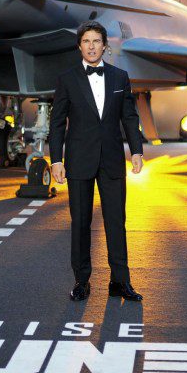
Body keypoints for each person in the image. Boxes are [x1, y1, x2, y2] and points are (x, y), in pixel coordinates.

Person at [49, 21, 144, 302]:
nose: (91, 46)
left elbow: (129, 117)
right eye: (86, 41)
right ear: (80, 46)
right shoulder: (67, 79)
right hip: (78, 160)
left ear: (105, 45)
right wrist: (56, 159)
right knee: (80, 223)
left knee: (117, 222)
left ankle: (120, 281)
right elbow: (57, 124)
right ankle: (81, 281)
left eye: (96, 41)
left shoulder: (120, 77)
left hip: (113, 159)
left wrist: (136, 151)